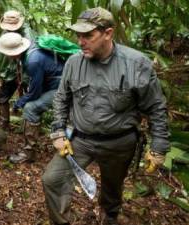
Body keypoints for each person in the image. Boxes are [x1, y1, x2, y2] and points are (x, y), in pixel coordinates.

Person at [42, 7, 169, 225]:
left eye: (88, 35)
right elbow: (62, 98)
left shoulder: (136, 64)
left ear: (108, 33)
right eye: (78, 35)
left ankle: (108, 216)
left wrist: (158, 146)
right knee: (52, 179)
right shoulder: (74, 63)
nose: (81, 41)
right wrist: (58, 132)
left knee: (112, 189)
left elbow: (156, 107)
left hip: (118, 143)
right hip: (80, 140)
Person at [0, 32, 64, 163]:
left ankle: (28, 153)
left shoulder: (33, 60)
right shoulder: (30, 51)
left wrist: (19, 103)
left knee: (31, 108)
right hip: (55, 83)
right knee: (31, 104)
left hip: (62, 87)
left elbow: (35, 93)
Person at [0, 10, 37, 130]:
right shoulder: (6, 32)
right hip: (11, 70)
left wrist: (25, 78)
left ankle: (29, 129)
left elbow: (32, 57)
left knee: (29, 99)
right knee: (2, 96)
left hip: (27, 71)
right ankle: (4, 124)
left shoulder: (28, 34)